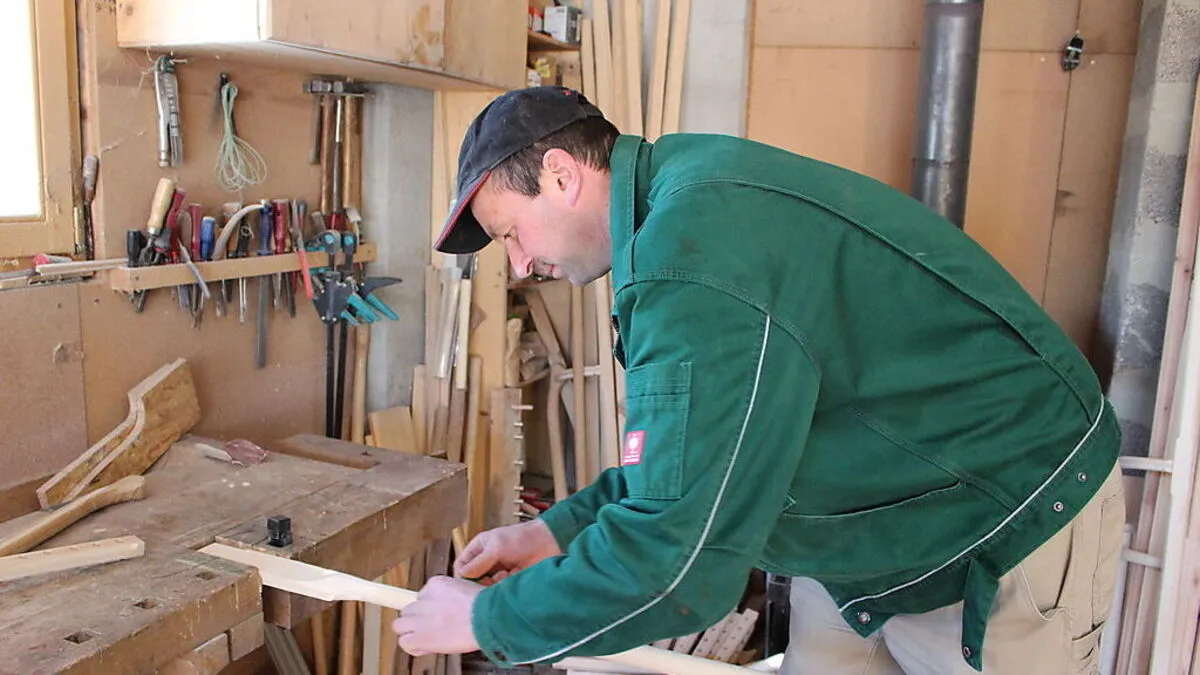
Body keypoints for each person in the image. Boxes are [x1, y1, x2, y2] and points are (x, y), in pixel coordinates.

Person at [391, 85, 1125, 675]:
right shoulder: (679, 200)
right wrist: (554, 531)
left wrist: (487, 619)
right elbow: (704, 462)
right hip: (869, 529)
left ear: (561, 175)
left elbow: (682, 565)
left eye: (511, 234)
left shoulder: (696, 252)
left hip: (1003, 514)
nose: (520, 265)